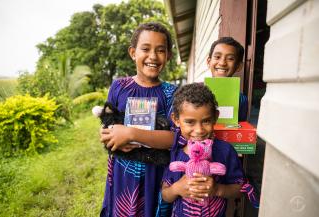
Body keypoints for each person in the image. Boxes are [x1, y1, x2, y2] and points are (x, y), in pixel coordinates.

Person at [99, 22, 177, 217]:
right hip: (123, 173)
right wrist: (108, 137)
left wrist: (132, 133)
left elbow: (175, 139)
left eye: (160, 50)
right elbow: (108, 125)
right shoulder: (119, 87)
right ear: (133, 52)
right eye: (145, 49)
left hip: (157, 174)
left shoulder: (171, 94)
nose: (153, 56)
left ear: (168, 56)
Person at [161, 83, 258, 216]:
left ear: (215, 117)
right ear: (176, 120)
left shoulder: (225, 151)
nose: (199, 130)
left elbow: (240, 190)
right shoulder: (175, 151)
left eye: (206, 121)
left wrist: (218, 189)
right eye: (190, 122)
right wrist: (176, 189)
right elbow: (165, 194)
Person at [206, 37, 248, 121]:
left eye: (230, 59)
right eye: (217, 57)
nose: (222, 63)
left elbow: (241, 127)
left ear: (238, 66)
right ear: (208, 62)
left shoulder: (241, 100)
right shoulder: (194, 94)